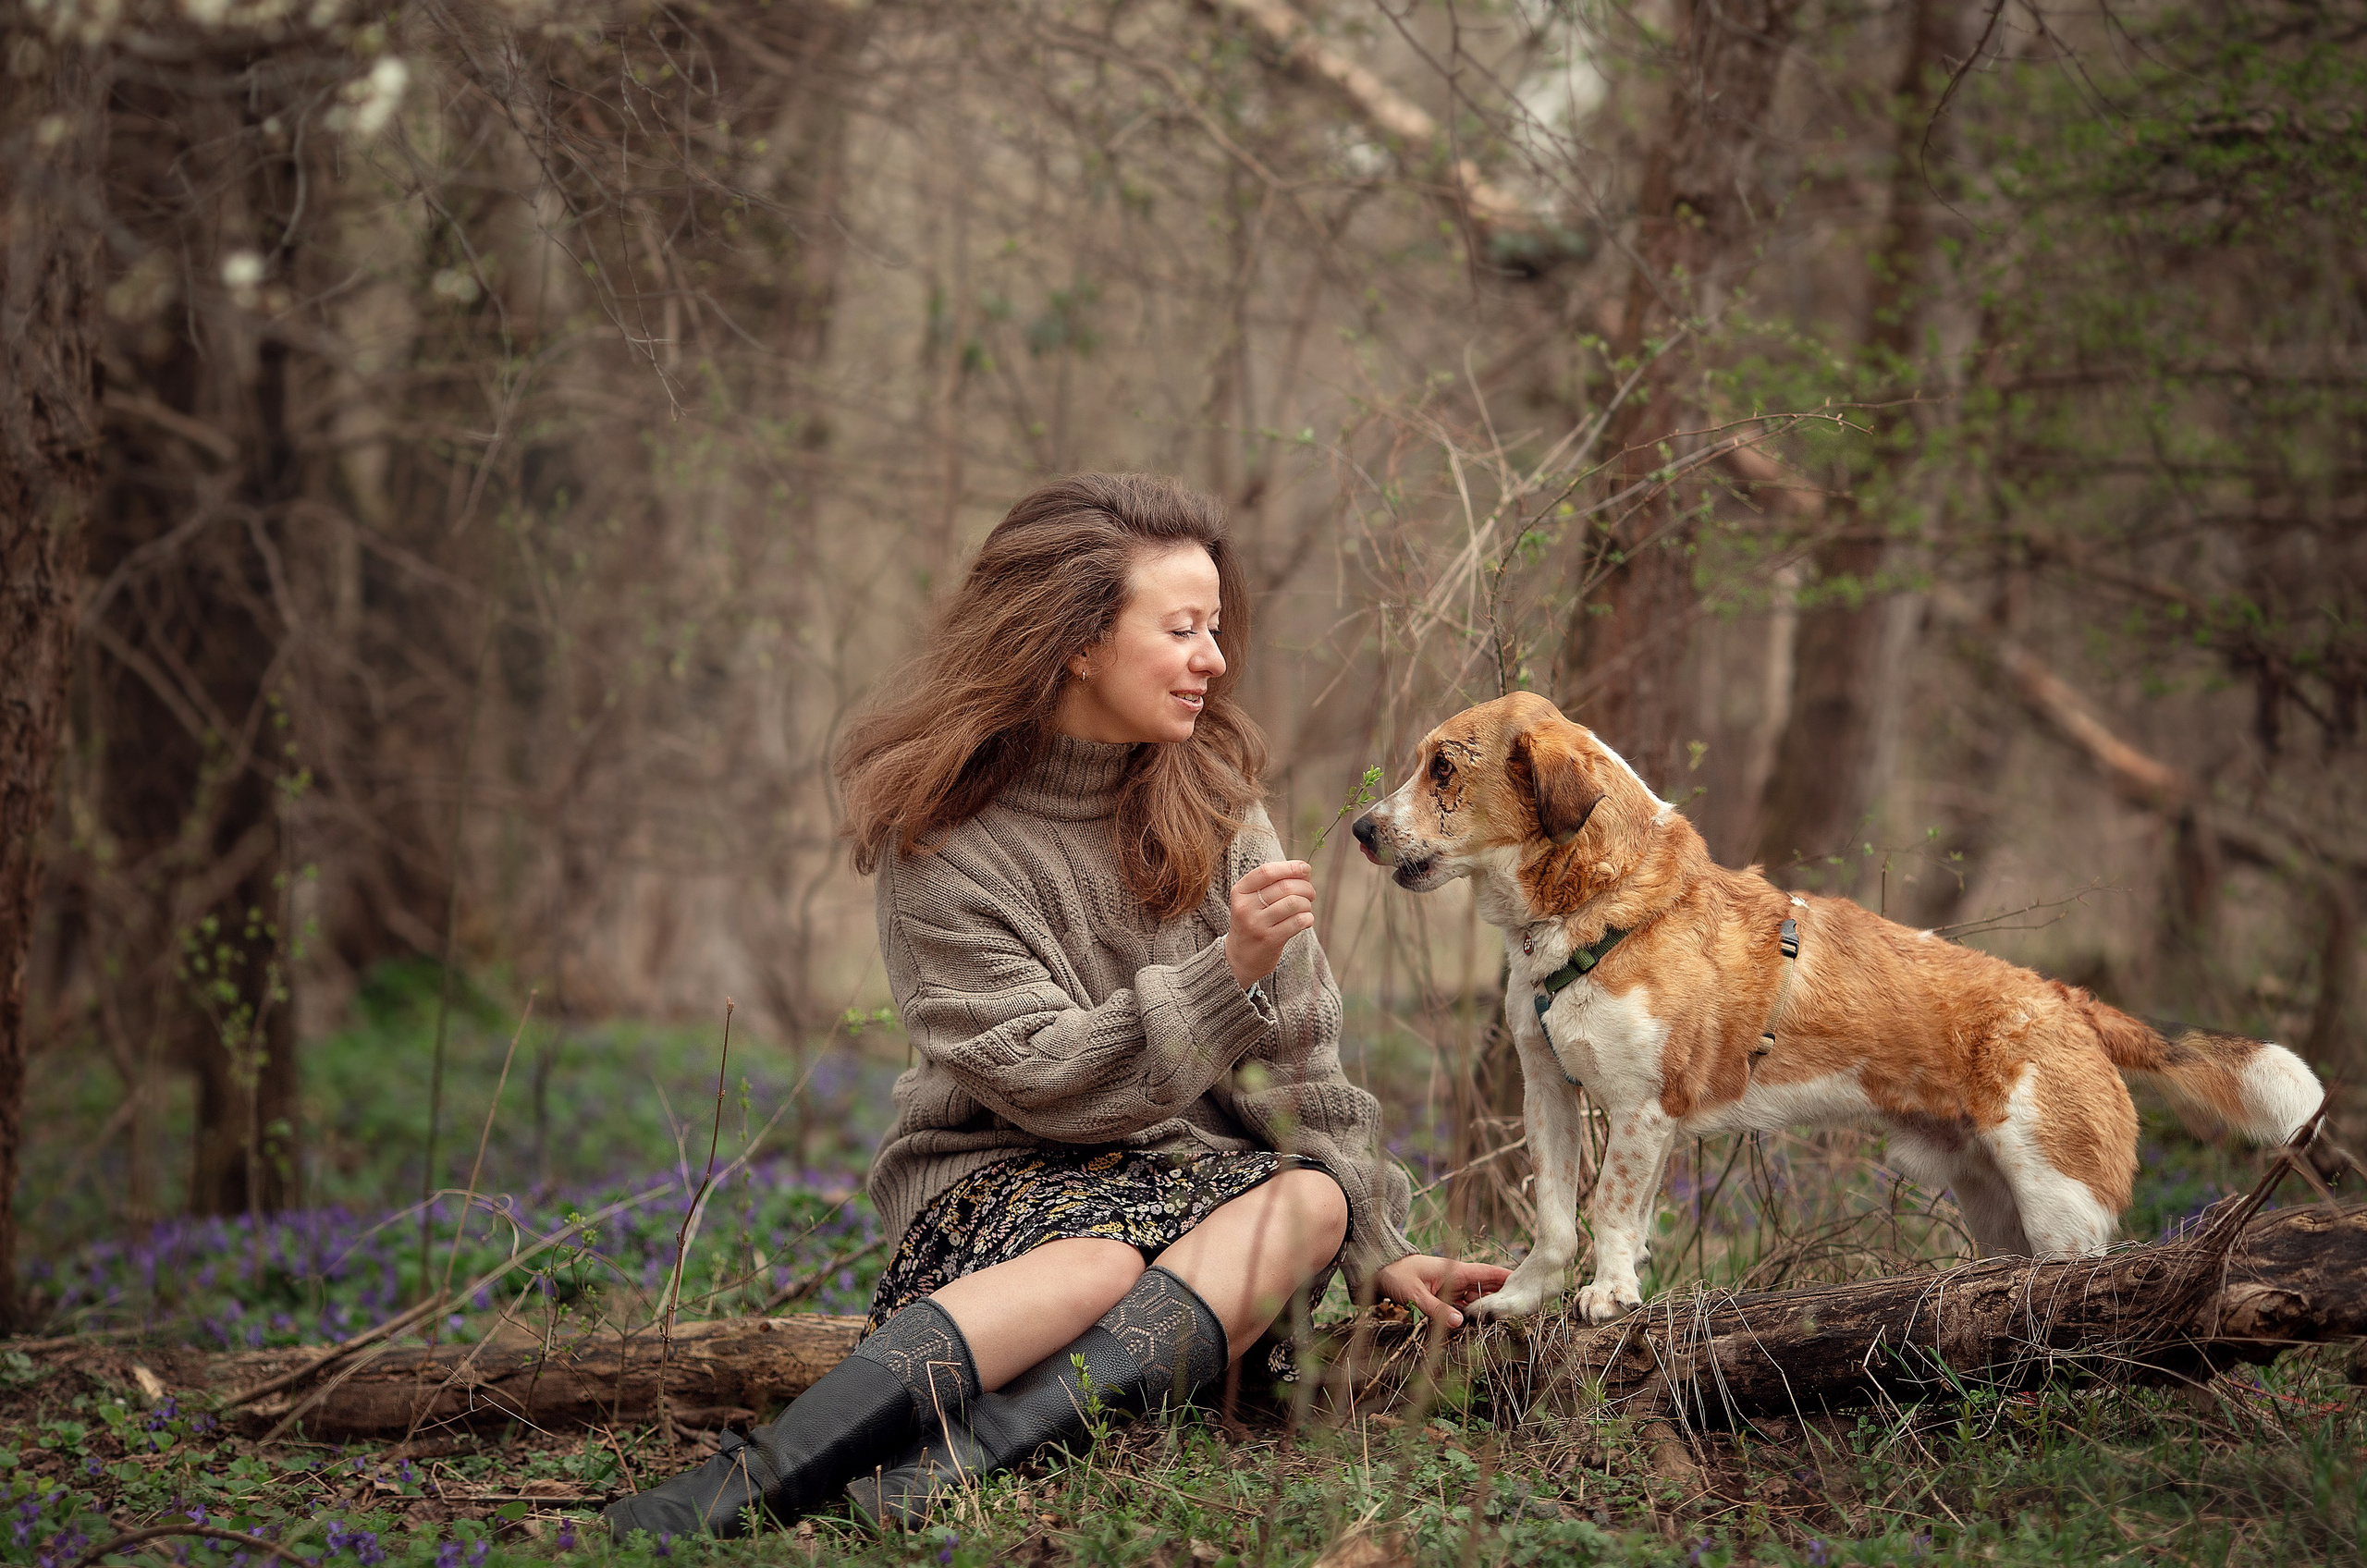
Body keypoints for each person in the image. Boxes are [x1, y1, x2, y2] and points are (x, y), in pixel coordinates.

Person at [605, 473, 1507, 1539]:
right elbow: (1042, 1078)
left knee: (1310, 1202)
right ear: (1079, 641)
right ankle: (744, 1485)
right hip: (1000, 1169)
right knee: (1095, 1261)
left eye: (1215, 627)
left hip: (1190, 1186)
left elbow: (1305, 1058)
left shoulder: (1216, 801)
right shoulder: (944, 836)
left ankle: (956, 1463)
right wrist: (1227, 972)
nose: (1213, 659)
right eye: (1180, 629)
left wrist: (1374, 1238)